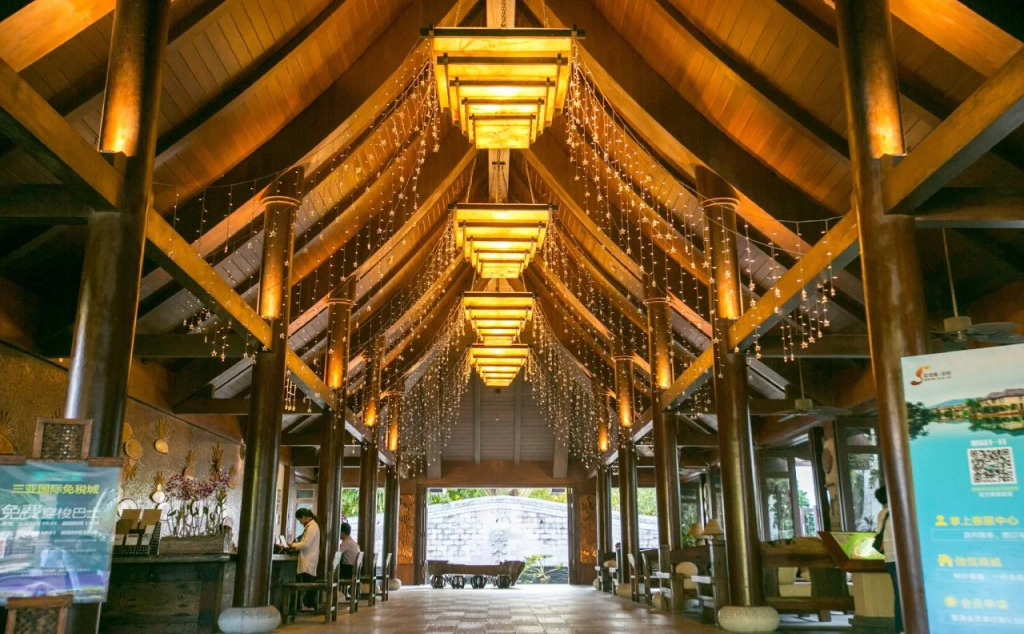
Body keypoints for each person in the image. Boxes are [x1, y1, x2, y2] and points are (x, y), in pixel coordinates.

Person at [875, 487, 902, 633]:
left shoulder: (882, 514)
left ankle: (900, 628)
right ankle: (903, 627)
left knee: (899, 595)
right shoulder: (895, 513)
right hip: (900, 560)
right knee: (903, 595)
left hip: (890, 559)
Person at [291, 508, 321, 609]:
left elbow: (305, 544)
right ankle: (308, 604)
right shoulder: (312, 525)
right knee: (308, 581)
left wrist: (292, 545)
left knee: (308, 583)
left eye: (300, 520)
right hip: (309, 558)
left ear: (304, 517)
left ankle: (307, 604)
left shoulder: (311, 527)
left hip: (308, 559)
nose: (300, 522)